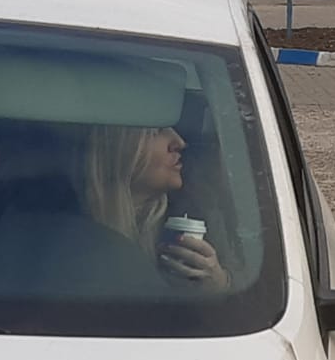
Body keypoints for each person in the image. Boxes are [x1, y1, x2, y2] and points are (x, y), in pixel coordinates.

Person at [81, 123, 229, 290]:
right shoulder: (73, 233)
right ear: (115, 148)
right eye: (155, 132)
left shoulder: (201, 217)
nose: (179, 143)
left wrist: (220, 284)